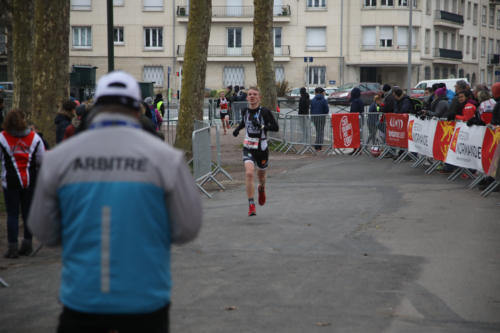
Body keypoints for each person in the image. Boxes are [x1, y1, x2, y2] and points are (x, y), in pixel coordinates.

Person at [27, 71, 202, 332]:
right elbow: (187, 228)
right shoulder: (167, 158)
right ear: (137, 110)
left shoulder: (59, 158)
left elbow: (43, 230)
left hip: (82, 300)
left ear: (96, 107)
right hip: (145, 300)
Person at [0, 109, 45, 258]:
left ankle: (12, 248)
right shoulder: (35, 138)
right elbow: (41, 160)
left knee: (12, 214)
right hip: (30, 180)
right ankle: (27, 244)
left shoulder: (2, 138)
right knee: (28, 213)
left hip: (10, 181)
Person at [232, 87, 279, 217]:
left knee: (261, 177)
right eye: (250, 94)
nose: (252, 96)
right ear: (247, 97)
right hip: (248, 146)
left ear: (259, 97)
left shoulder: (264, 112)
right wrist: (238, 129)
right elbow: (244, 122)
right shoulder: (245, 111)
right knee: (249, 173)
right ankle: (251, 204)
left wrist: (263, 126)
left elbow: (275, 127)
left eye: (255, 94)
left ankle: (262, 188)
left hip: (262, 148)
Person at [310, 87, 329, 151]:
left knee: (317, 131)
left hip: (315, 117)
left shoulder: (313, 100)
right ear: (321, 92)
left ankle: (317, 144)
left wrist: (312, 117)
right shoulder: (324, 100)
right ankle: (319, 145)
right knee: (321, 131)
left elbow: (311, 109)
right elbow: (326, 110)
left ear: (316, 92)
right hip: (322, 117)